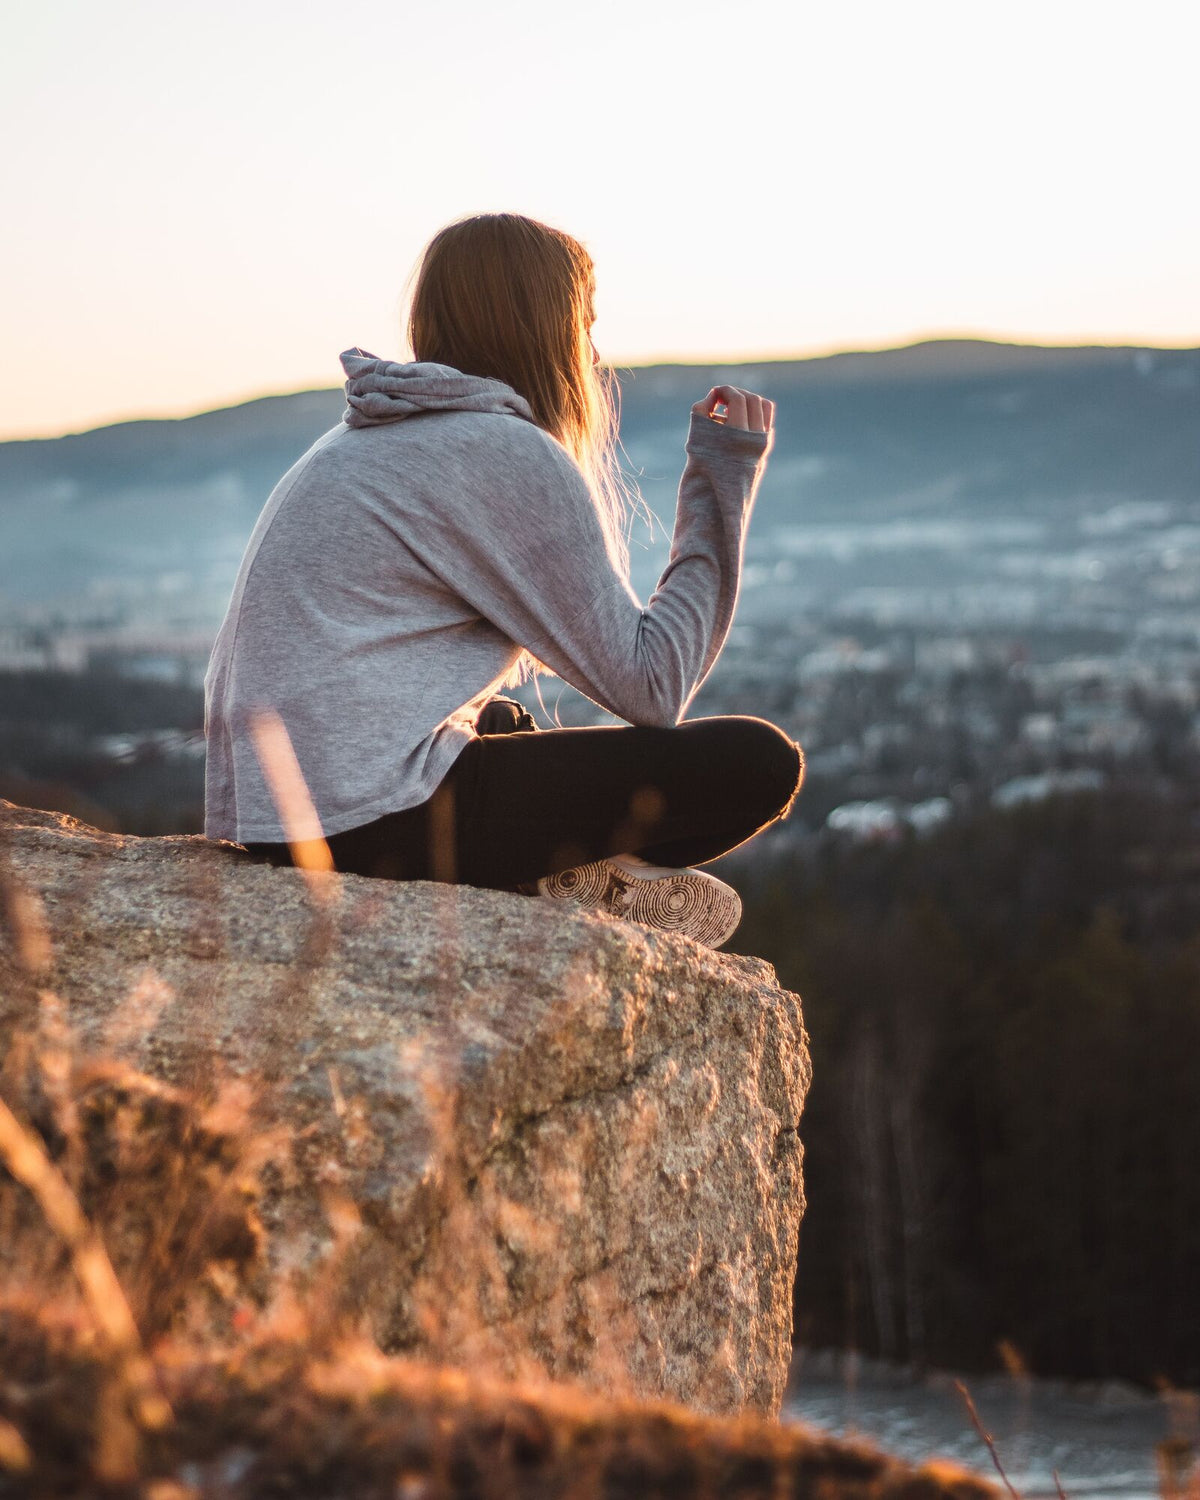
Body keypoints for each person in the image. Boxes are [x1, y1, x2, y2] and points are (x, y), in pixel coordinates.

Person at [203, 212, 804, 948]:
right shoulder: (499, 450)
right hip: (366, 824)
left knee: (501, 726)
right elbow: (653, 686)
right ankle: (551, 870)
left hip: (275, 816)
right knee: (757, 761)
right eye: (583, 325)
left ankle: (557, 866)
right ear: (546, 327)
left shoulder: (357, 438)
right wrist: (722, 475)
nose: (590, 351)